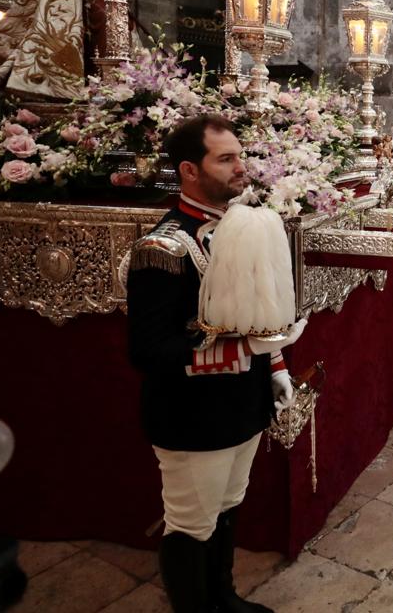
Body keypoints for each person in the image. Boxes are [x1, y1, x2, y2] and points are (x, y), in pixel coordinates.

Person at [127, 115, 301, 613]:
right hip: (190, 415)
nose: (240, 168)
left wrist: (275, 367)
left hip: (244, 404)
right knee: (191, 524)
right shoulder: (162, 249)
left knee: (227, 509)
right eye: (225, 159)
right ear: (188, 169)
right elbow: (147, 352)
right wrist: (247, 353)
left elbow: (258, 315)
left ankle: (223, 598)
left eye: (239, 156)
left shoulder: (242, 225)